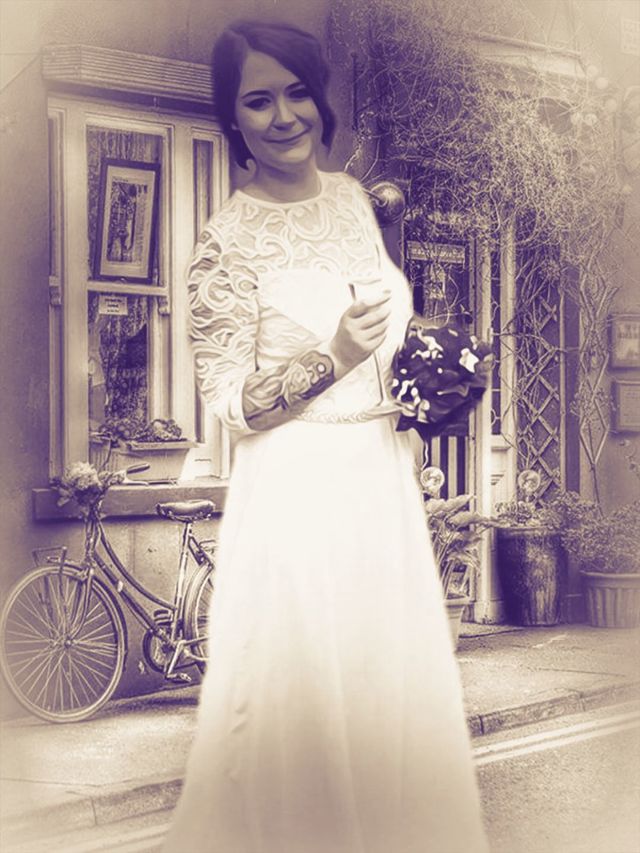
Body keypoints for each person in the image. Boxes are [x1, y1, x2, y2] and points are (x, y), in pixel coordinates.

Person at [162, 19, 489, 853]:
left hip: (377, 483)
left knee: (384, 692)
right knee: (301, 703)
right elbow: (231, 402)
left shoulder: (351, 202)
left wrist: (431, 380)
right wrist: (332, 356)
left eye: (297, 92)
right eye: (258, 101)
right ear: (231, 118)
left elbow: (387, 331)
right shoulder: (224, 242)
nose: (283, 117)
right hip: (295, 490)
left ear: (320, 99)